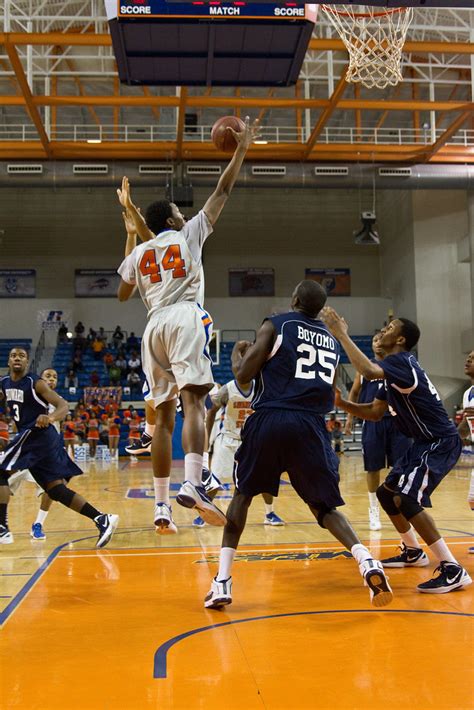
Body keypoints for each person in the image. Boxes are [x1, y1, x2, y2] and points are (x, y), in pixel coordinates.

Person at [204, 281, 393, 610]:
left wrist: (242, 354)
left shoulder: (277, 323)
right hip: (312, 425)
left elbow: (244, 375)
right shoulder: (333, 343)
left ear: (294, 300)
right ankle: (366, 561)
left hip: (272, 417)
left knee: (243, 496)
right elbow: (330, 389)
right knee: (325, 508)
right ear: (320, 308)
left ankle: (222, 580)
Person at [116, 116, 260, 533]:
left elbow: (123, 293)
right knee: (194, 403)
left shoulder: (141, 253)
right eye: (180, 211)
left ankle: (161, 507)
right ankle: (194, 484)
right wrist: (242, 149)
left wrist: (131, 228)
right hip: (183, 317)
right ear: (175, 220)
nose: (184, 214)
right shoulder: (189, 233)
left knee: (162, 418)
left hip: (152, 328)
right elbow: (223, 190)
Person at [322, 310, 471, 594]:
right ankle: (413, 551)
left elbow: (367, 371)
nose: (384, 330)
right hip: (422, 443)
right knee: (386, 493)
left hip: (439, 441)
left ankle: (452, 568)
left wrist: (340, 332)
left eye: (389, 327)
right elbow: (376, 413)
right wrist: (342, 404)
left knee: (406, 498)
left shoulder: (401, 362)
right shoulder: (391, 372)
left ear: (400, 339)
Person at [0, 350, 119, 547]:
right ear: (8, 360)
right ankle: (101, 519)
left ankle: (2, 528)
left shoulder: (34, 382)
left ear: (27, 361)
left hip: (38, 435)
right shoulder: (4, 383)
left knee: (2, 471)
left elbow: (63, 405)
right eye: (13, 355)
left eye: (22, 355)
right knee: (55, 489)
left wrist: (51, 417)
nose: (18, 358)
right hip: (37, 441)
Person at [344, 333, 412, 531]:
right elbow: (355, 392)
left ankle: (401, 508)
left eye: (380, 338)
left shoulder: (399, 364)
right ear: (372, 346)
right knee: (372, 468)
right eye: (374, 340)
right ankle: (373, 509)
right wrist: (349, 418)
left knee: (401, 468)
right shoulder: (365, 368)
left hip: (398, 421)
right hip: (374, 421)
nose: (377, 342)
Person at [203, 378, 285, 529]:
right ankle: (204, 513)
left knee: (264, 477)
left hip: (252, 440)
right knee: (214, 479)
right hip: (228, 439)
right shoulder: (227, 389)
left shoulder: (261, 387)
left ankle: (270, 513)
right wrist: (207, 437)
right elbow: (211, 412)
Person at [458, 350, 474, 554]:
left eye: (473, 358)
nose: (468, 360)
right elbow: (464, 426)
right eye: (468, 357)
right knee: (472, 499)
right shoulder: (467, 393)